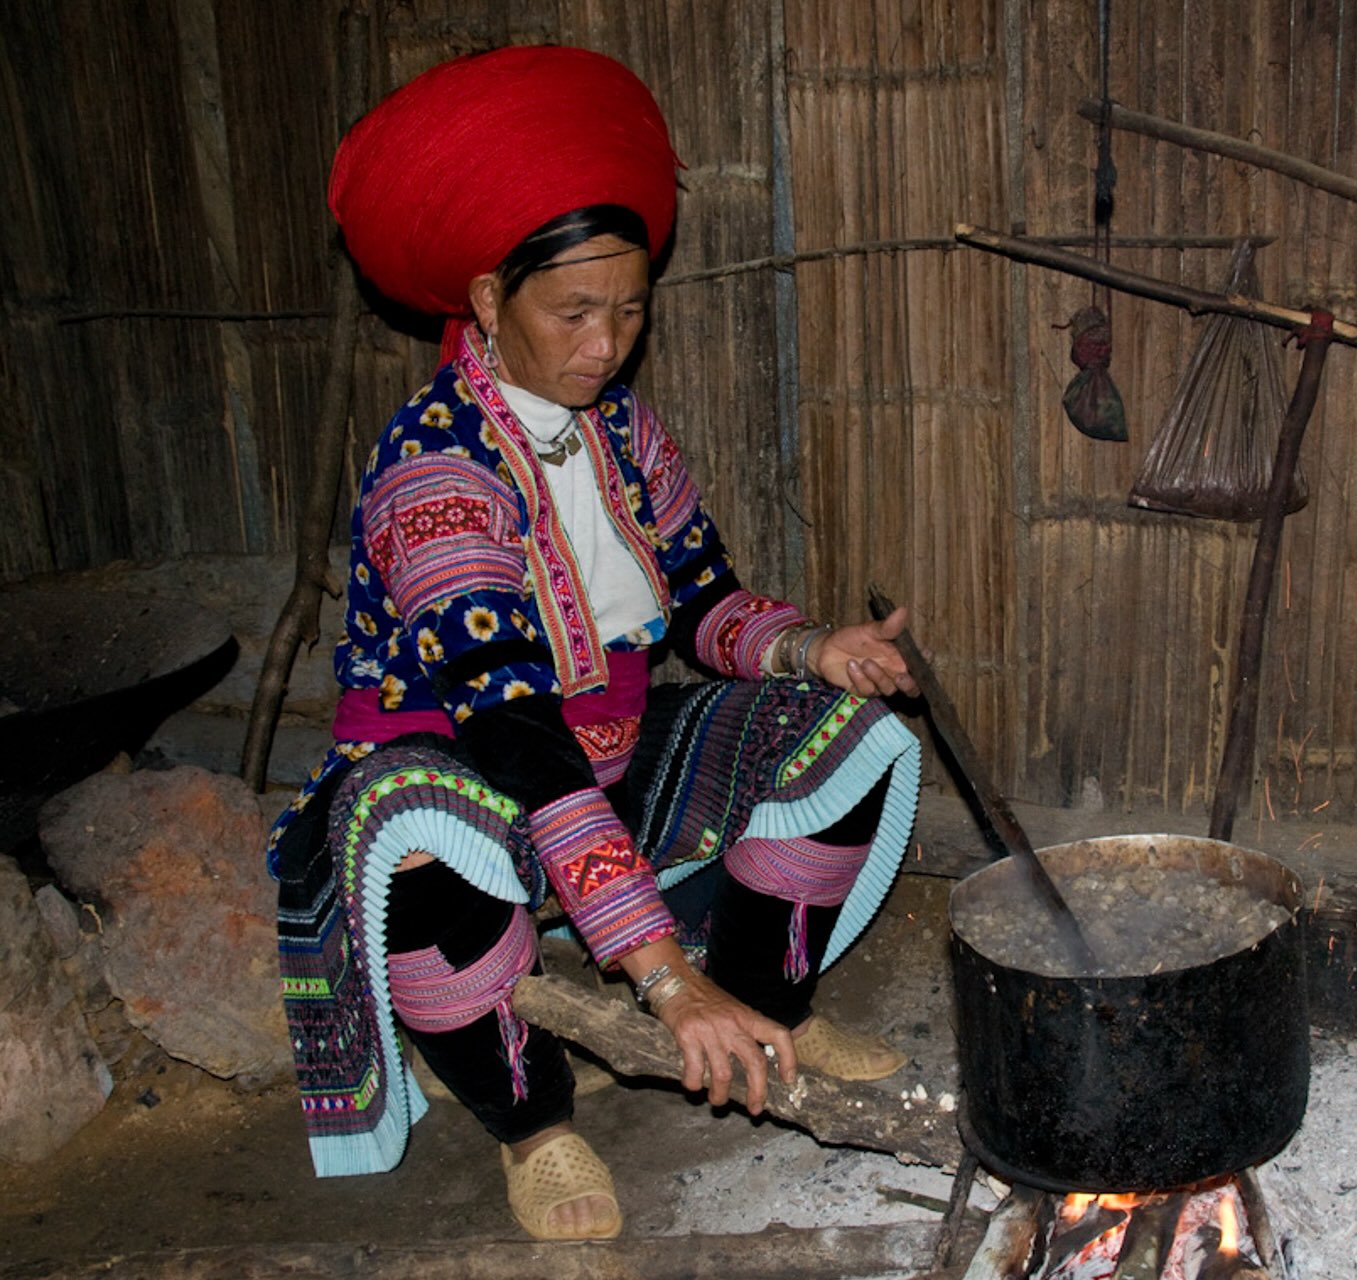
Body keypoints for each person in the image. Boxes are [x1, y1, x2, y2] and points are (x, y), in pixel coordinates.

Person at [266, 45, 923, 1242]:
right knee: (416, 845)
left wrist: (812, 648)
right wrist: (661, 976)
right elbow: (515, 732)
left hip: (605, 754)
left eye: (628, 309)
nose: (606, 342)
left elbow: (708, 604)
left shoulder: (621, 432)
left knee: (850, 735)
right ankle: (533, 1117)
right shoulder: (435, 472)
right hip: (468, 766)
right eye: (573, 311)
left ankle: (768, 1004)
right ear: (483, 301)